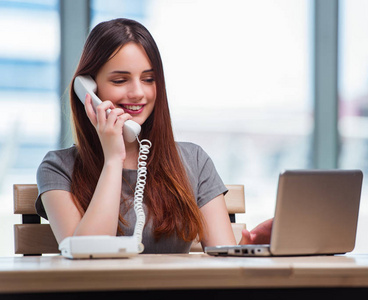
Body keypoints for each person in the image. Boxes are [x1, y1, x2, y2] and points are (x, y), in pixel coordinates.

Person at [36, 18, 271, 253]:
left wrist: (249, 249)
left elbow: (223, 259)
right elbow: (86, 256)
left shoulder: (194, 161)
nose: (138, 93)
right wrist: (113, 160)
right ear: (89, 88)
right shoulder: (58, 167)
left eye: (149, 79)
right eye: (120, 80)